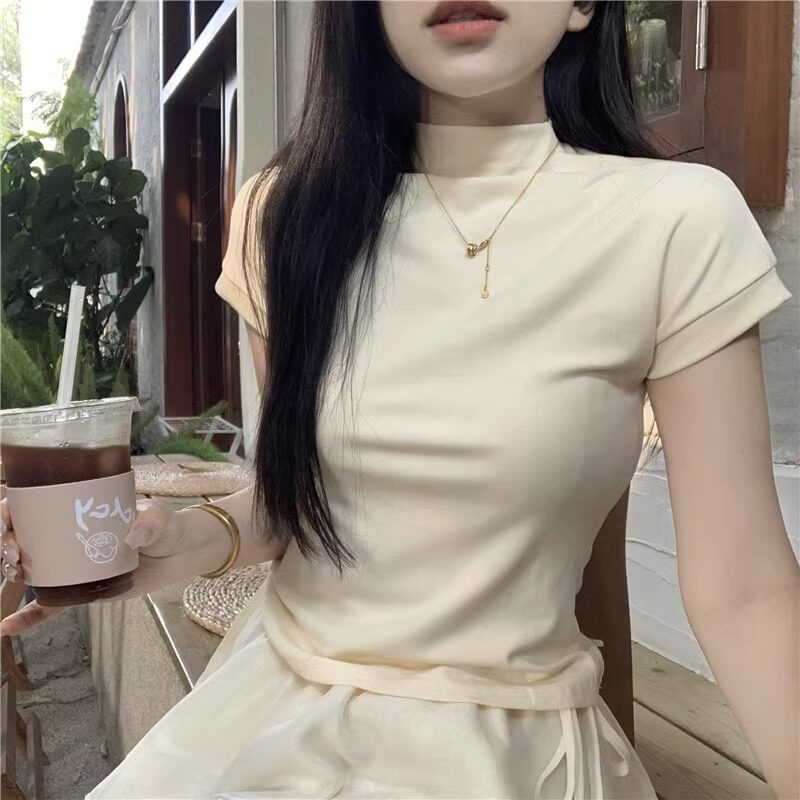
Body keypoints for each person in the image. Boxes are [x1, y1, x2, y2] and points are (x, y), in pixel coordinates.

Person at [2, 2, 798, 798]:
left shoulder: (676, 223)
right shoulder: (285, 214)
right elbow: (299, 500)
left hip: (511, 745)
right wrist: (179, 538)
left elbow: (747, 591)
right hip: (275, 710)